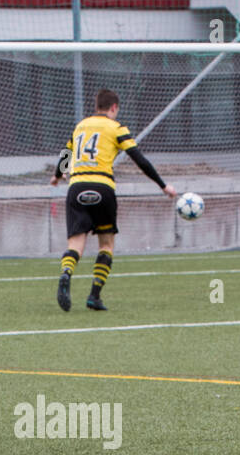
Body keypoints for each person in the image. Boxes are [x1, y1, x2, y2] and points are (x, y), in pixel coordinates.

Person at [50, 88, 178, 312]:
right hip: (103, 187)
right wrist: (163, 185)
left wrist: (57, 175)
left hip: (77, 186)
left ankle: (66, 273)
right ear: (114, 108)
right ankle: (94, 296)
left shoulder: (81, 126)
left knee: (75, 245)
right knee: (106, 244)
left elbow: (67, 153)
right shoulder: (117, 128)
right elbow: (140, 159)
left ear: (95, 106)